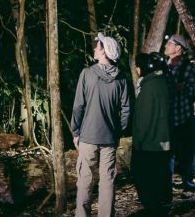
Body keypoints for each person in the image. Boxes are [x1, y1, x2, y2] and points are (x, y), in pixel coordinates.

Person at [71, 32, 130, 217]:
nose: (95, 47)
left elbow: (78, 105)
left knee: (85, 180)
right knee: (107, 181)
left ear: (104, 52)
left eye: (98, 46)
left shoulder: (87, 73)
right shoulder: (121, 78)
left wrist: (75, 131)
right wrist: (118, 131)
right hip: (110, 138)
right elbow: (127, 109)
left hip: (88, 136)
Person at [164, 34, 195, 198]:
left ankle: (189, 185)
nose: (166, 46)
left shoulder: (189, 68)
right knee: (168, 153)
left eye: (169, 44)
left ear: (178, 48)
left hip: (183, 118)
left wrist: (186, 90)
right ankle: (167, 185)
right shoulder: (164, 67)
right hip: (166, 119)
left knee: (186, 153)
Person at [131, 52, 172, 216]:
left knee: (145, 177)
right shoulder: (162, 83)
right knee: (159, 176)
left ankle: (154, 208)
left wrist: (138, 141)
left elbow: (144, 119)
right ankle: (161, 206)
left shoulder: (149, 87)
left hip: (150, 143)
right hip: (161, 141)